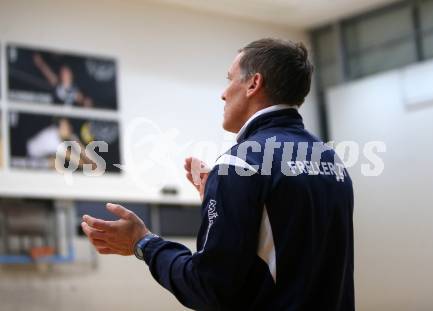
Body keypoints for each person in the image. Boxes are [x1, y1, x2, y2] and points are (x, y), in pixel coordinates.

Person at [81, 38, 355, 310]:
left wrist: (143, 242)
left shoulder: (239, 164)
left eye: (229, 79)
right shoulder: (331, 160)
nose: (223, 93)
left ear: (253, 84)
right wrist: (223, 203)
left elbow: (207, 288)